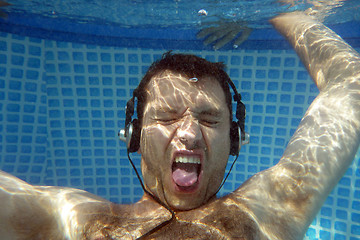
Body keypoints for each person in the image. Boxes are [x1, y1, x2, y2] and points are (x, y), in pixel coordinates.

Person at [0, 10, 359, 240]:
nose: (188, 134)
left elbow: (352, 81)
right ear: (134, 136)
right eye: (167, 117)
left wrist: (283, 12)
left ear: (233, 140)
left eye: (209, 119)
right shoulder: (73, 220)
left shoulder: (272, 208)